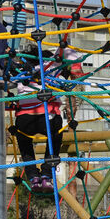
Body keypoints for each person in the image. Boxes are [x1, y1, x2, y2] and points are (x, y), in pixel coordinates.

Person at [13, 52, 82, 193]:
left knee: (24, 143)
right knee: (55, 139)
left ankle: (32, 177)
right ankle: (47, 175)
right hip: (48, 116)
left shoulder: (22, 71)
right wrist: (75, 67)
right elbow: (68, 52)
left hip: (24, 117)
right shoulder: (52, 67)